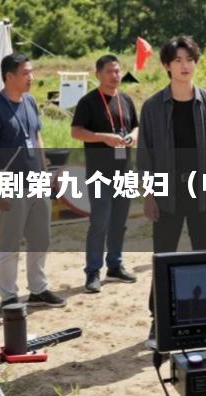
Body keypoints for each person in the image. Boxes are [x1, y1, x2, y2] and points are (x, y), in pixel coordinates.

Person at [137, 36, 206, 346]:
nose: (184, 66)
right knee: (163, 259)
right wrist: (149, 195)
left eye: (189, 59)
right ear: (166, 65)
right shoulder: (152, 107)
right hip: (167, 196)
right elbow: (146, 156)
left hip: (203, 194)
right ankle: (158, 321)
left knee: (205, 256)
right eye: (177, 60)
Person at [0, 53, 66, 309]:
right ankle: (8, 296)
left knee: (41, 239)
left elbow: (36, 138)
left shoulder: (29, 101)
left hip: (37, 181)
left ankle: (38, 290)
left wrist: (46, 173)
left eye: (31, 71)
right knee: (10, 242)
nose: (32, 77)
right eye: (26, 73)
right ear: (9, 76)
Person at [71, 54, 138, 293]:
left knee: (120, 222)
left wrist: (133, 137)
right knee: (99, 222)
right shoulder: (88, 102)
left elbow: (136, 126)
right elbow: (76, 132)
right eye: (110, 71)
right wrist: (103, 138)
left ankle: (115, 265)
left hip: (124, 171)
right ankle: (92, 271)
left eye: (118, 71)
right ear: (98, 74)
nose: (115, 76)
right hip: (99, 173)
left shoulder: (126, 99)